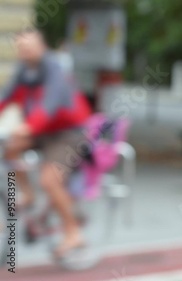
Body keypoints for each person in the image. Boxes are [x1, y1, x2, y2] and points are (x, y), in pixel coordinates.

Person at [0, 30, 92, 258]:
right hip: (42, 131)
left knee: (50, 180)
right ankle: (28, 194)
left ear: (42, 46)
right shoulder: (24, 70)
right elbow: (5, 96)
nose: (25, 52)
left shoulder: (54, 68)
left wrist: (28, 126)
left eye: (30, 46)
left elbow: (50, 103)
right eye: (21, 48)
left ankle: (73, 232)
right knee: (9, 148)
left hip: (69, 133)